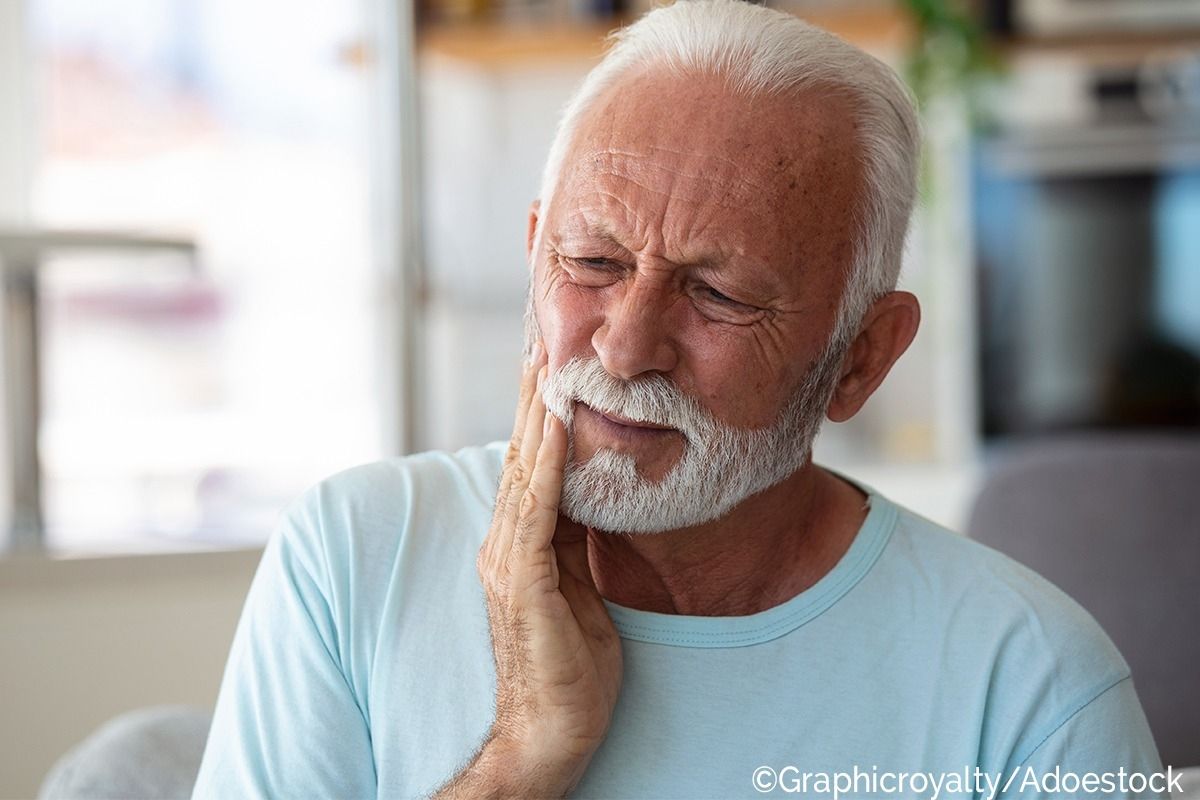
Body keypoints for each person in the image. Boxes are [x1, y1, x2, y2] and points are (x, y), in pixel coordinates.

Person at [192, 2, 1168, 798]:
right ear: (535, 253)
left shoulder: (1034, 686)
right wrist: (521, 760)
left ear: (860, 358)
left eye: (719, 294)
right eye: (591, 261)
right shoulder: (355, 555)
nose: (623, 345)